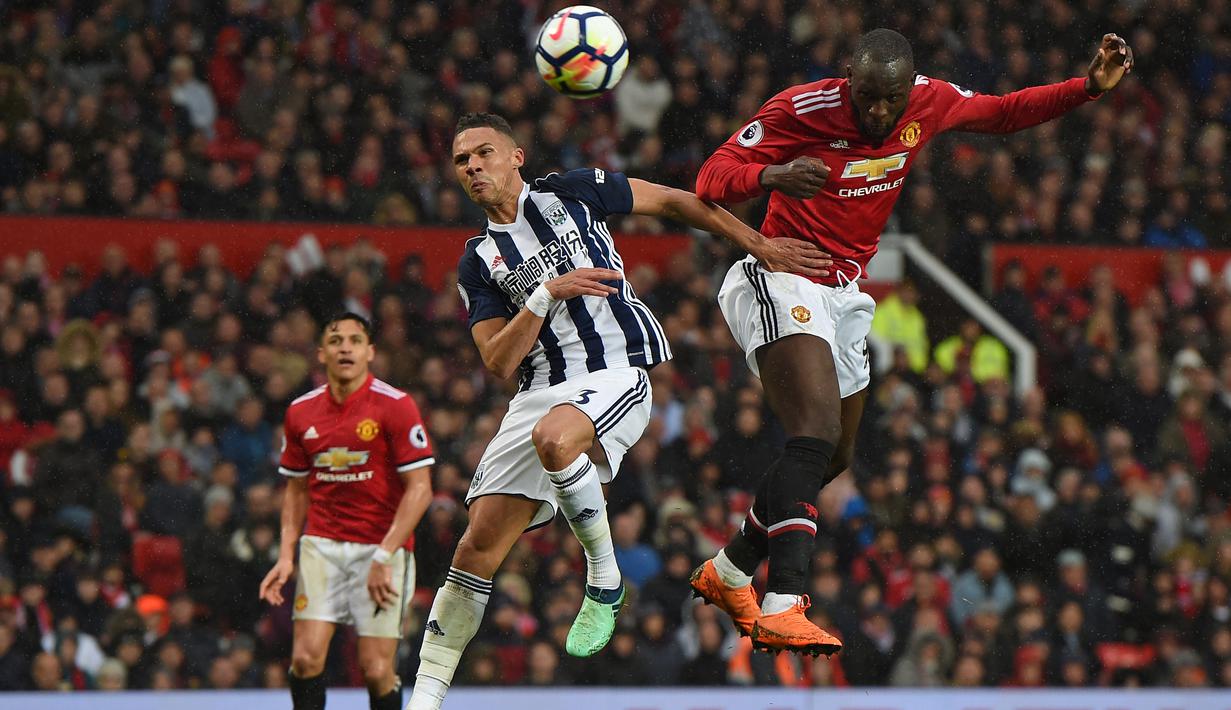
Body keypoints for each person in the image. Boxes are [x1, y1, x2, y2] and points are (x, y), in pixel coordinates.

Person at [689, 29, 1134, 655]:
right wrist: (776, 175)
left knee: (837, 455)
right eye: (866, 97)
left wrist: (1085, 88)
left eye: (888, 100)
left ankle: (731, 569)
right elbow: (711, 178)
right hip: (782, 272)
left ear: (908, 89)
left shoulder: (929, 101)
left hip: (846, 293)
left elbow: (1004, 113)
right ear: (848, 78)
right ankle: (783, 600)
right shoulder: (803, 108)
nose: (877, 112)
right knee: (811, 434)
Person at [406, 112, 826, 710]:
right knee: (473, 551)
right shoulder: (478, 260)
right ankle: (422, 701)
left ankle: (605, 578)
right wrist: (546, 295)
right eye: (461, 161)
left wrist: (759, 243)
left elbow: (680, 203)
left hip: (614, 369)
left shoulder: (572, 191)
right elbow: (497, 361)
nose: (472, 166)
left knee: (556, 441)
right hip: (537, 389)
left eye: (484, 153)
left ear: (516, 156)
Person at [258, 312, 434, 710]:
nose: (345, 348)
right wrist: (286, 556)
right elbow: (295, 491)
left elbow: (421, 490)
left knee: (375, 669)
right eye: (336, 341)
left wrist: (384, 554)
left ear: (370, 352)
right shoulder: (300, 413)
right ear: (321, 353)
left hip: (382, 549)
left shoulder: (396, 406)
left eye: (355, 341)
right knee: (304, 660)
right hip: (322, 546)